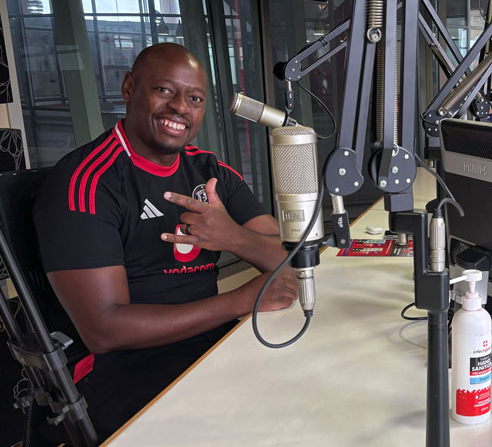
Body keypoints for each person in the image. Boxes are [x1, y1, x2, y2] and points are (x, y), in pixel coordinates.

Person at [33, 43, 297, 437]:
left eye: (194, 98)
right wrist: (241, 300)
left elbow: (293, 259)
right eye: (164, 90)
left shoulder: (210, 171)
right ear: (129, 88)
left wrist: (235, 237)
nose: (179, 108)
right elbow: (104, 330)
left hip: (211, 342)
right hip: (124, 369)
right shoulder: (86, 183)